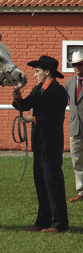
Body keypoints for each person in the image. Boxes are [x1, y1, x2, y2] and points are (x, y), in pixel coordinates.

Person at [12, 55, 69, 233]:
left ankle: (59, 223)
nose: (35, 74)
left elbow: (55, 118)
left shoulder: (58, 92)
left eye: (37, 71)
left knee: (53, 182)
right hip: (39, 143)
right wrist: (17, 98)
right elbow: (25, 105)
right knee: (41, 182)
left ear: (47, 72)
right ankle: (43, 221)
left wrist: (33, 119)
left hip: (51, 144)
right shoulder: (38, 90)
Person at [65, 51, 83, 202]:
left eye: (80, 64)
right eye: (74, 65)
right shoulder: (69, 83)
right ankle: (81, 191)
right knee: (76, 160)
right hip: (75, 127)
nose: (77, 67)